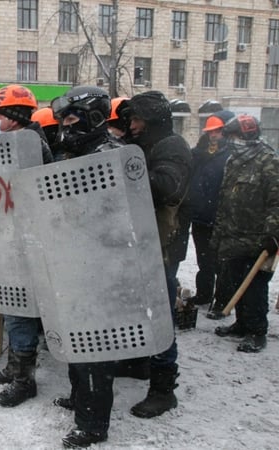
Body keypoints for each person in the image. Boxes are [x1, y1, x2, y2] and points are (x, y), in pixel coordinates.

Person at [47, 86, 123, 448]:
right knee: (75, 334)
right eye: (63, 119)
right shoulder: (71, 152)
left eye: (72, 117)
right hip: (70, 257)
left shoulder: (110, 155)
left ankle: (93, 423)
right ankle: (80, 397)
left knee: (95, 345)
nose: (66, 125)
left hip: (101, 264)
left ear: (93, 118)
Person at [0, 84, 52, 407]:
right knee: (12, 307)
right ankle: (15, 367)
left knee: (21, 309)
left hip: (27, 239)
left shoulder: (32, 146)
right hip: (10, 236)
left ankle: (25, 379)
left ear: (13, 116)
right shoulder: (13, 141)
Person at [126, 91, 191, 420]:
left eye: (137, 119)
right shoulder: (149, 144)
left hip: (163, 246)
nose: (132, 125)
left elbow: (168, 186)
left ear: (151, 120)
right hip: (145, 240)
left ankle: (164, 390)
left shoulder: (171, 145)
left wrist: (123, 170)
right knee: (139, 309)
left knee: (159, 317)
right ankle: (140, 363)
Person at [210, 114, 279, 353]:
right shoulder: (233, 160)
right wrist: (218, 234)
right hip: (232, 235)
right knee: (235, 282)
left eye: (235, 136)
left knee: (255, 288)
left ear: (248, 136)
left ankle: (257, 332)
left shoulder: (268, 160)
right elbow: (225, 199)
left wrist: (272, 234)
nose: (231, 141)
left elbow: (276, 201)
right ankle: (242, 324)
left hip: (258, 239)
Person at [186, 111, 234, 313]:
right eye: (211, 132)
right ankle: (204, 294)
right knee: (204, 260)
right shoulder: (199, 152)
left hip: (220, 217)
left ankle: (222, 300)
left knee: (221, 263)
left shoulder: (230, 155)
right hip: (200, 215)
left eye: (217, 131)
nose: (213, 135)